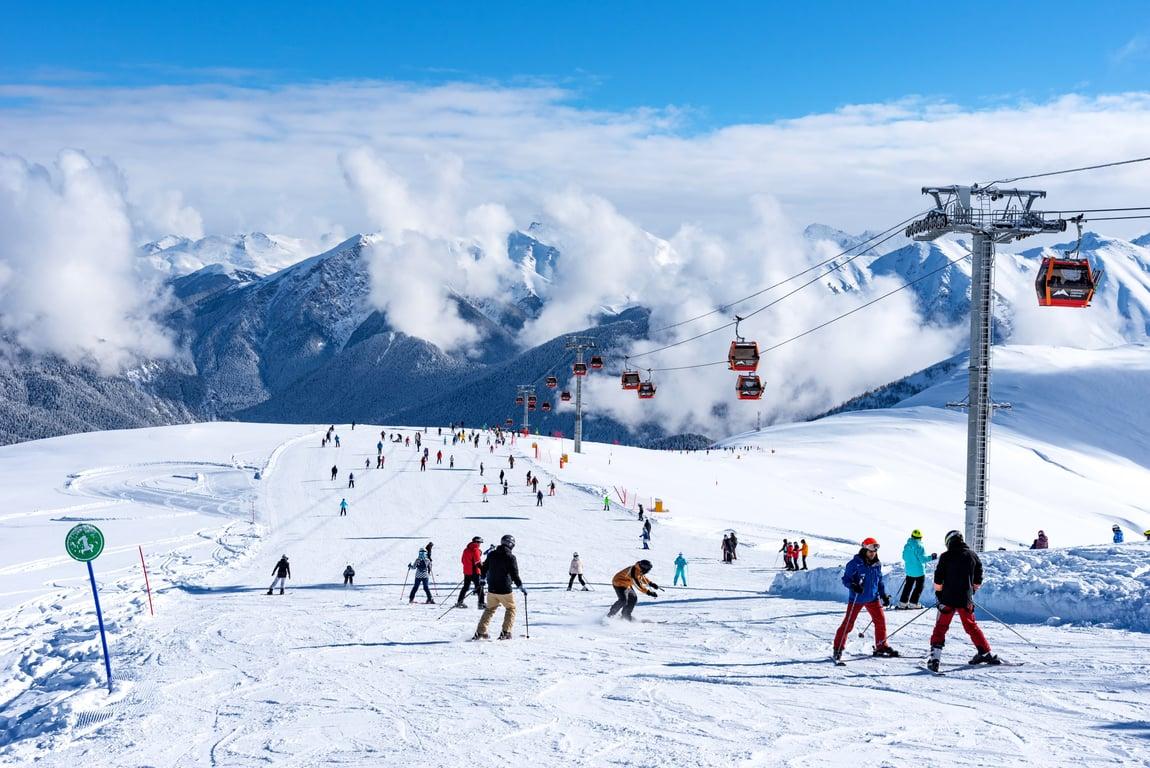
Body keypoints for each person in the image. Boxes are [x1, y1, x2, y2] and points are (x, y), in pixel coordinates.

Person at [928, 530, 998, 671]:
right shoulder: (972, 555)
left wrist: (939, 594)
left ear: (949, 541)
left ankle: (935, 658)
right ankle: (985, 652)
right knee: (971, 626)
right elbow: (978, 578)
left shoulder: (946, 556)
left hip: (947, 599)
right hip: (965, 599)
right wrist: (972, 591)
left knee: (941, 627)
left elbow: (938, 578)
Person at [832, 538, 898, 662]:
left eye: (875, 550)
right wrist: (853, 586)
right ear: (864, 549)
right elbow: (845, 580)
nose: (873, 553)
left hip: (873, 598)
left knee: (880, 622)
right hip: (857, 598)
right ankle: (838, 648)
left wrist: (883, 595)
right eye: (870, 550)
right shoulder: (854, 564)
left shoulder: (877, 564)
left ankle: (881, 646)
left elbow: (879, 582)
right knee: (848, 624)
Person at [474, 535, 524, 640]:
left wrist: (482, 579)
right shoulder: (510, 557)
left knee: (489, 609)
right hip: (505, 589)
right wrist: (520, 586)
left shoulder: (492, 554)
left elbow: (484, 568)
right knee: (511, 608)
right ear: (511, 544)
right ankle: (506, 632)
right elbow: (514, 574)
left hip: (492, 588)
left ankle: (480, 632)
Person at [898, 529, 936, 609]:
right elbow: (923, 559)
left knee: (908, 586)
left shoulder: (907, 545)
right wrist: (931, 557)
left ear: (912, 536)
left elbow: (904, 557)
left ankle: (903, 603)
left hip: (909, 571)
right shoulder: (920, 546)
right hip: (919, 572)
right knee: (919, 587)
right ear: (920, 538)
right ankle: (913, 603)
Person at [457, 537, 486, 609]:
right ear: (476, 542)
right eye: (479, 543)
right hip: (475, 572)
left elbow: (462, 560)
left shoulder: (466, 550)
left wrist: (468, 567)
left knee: (465, 587)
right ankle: (481, 603)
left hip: (467, 572)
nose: (480, 544)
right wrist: (483, 569)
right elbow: (478, 562)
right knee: (480, 587)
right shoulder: (475, 550)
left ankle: (459, 602)